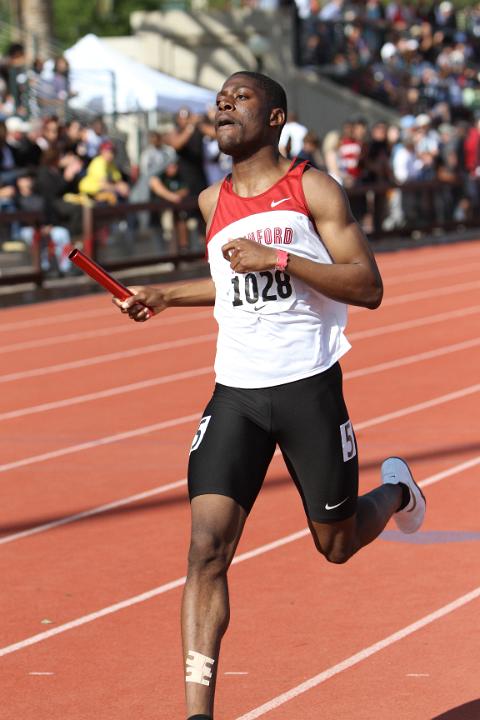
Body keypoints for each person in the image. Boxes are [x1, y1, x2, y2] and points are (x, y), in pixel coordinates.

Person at [114, 71, 426, 720]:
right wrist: (167, 295)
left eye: (241, 97)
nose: (223, 104)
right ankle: (199, 713)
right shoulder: (209, 201)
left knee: (335, 544)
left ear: (277, 117)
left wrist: (280, 259)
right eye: (219, 99)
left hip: (308, 386)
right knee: (205, 548)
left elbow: (367, 286)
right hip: (238, 393)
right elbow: (229, 287)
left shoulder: (311, 188)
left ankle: (397, 491)